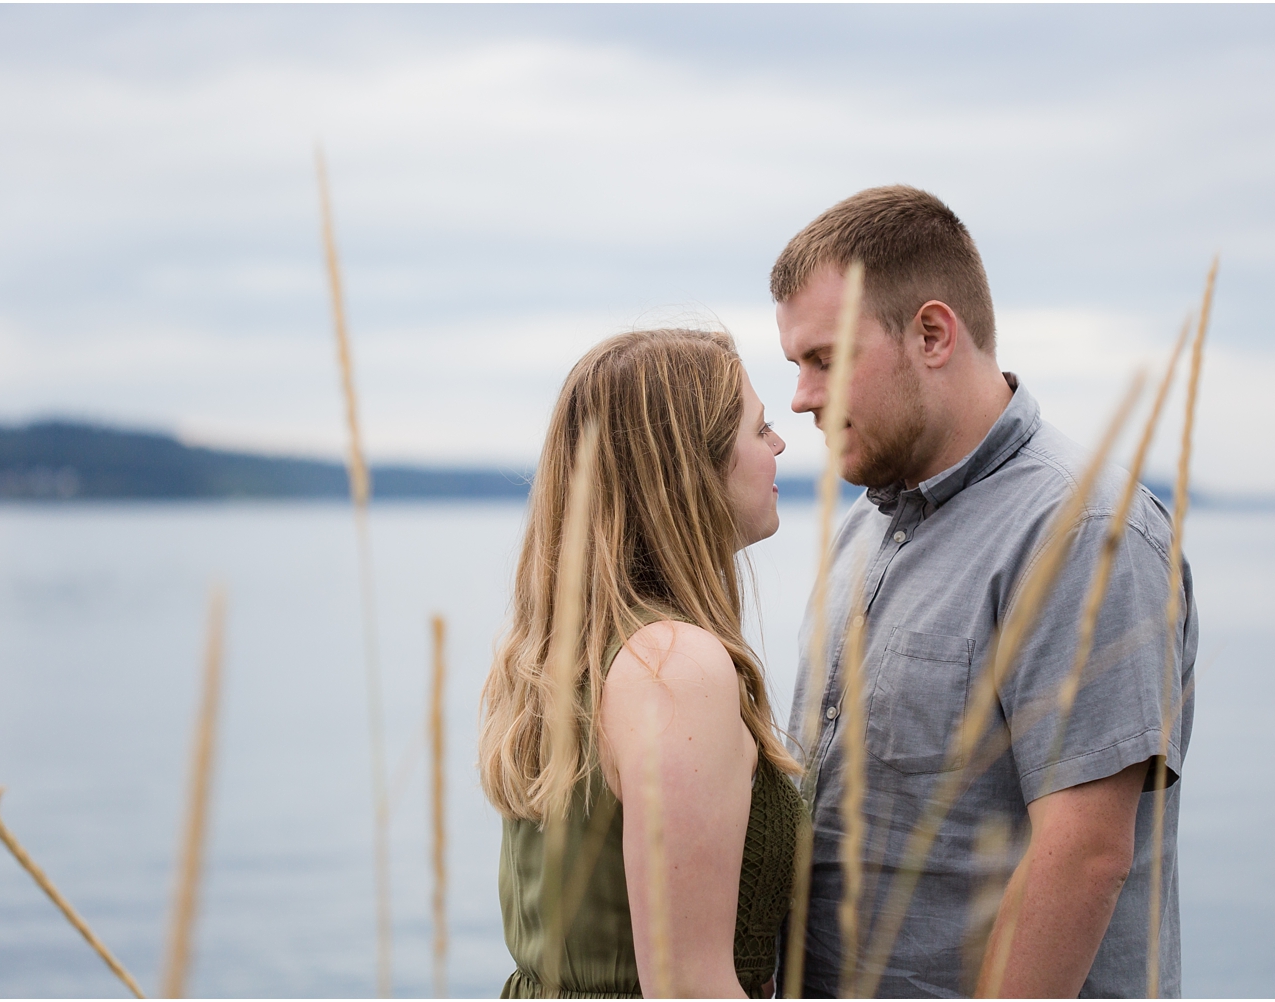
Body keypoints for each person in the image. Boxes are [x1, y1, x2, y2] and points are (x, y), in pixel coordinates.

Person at [772, 186, 1198, 998]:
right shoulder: (868, 525)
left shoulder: (1081, 533)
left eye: (824, 358)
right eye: (796, 365)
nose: (801, 397)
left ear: (933, 333)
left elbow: (1083, 855)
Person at [479, 328, 807, 999]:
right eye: (760, 427)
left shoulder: (577, 650)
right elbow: (690, 987)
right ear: (691, 465)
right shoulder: (672, 666)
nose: (779, 445)